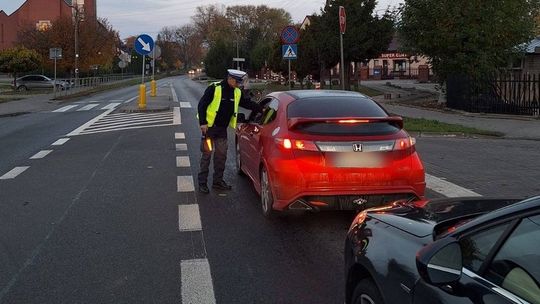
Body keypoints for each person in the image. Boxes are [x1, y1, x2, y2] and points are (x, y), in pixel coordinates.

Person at [197, 69, 261, 194]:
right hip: (209, 129)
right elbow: (202, 105)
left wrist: (261, 109)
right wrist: (203, 123)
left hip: (222, 129)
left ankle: (218, 181)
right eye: (237, 82)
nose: (239, 85)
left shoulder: (236, 92)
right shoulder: (214, 88)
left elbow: (246, 103)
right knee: (207, 155)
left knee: (221, 156)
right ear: (230, 79)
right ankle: (202, 183)